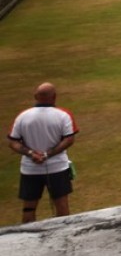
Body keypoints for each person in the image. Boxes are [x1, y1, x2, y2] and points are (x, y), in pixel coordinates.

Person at [7, 82, 78, 223]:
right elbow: (69, 139)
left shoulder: (22, 116)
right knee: (61, 206)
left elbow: (13, 142)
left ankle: (28, 240)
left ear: (35, 96)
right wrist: (47, 154)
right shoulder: (63, 115)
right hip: (57, 167)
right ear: (55, 97)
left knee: (29, 208)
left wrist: (31, 153)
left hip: (30, 169)